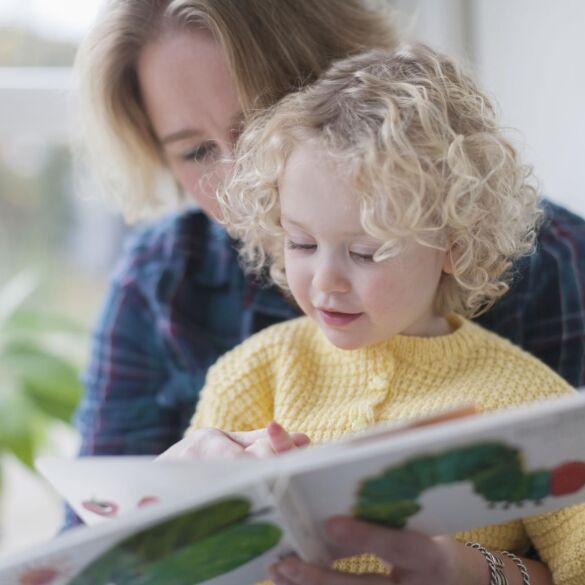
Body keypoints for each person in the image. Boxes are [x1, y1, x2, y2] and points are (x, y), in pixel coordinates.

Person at [71, 0, 585, 534]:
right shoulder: (162, 278)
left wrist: (476, 573)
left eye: (263, 124)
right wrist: (159, 503)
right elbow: (84, 543)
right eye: (197, 151)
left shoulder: (555, 261)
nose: (241, 175)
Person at [162, 45, 585, 585]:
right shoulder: (253, 375)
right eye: (300, 242)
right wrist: (171, 503)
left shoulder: (527, 405)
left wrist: (470, 573)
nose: (325, 281)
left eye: (366, 252)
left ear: (454, 245)